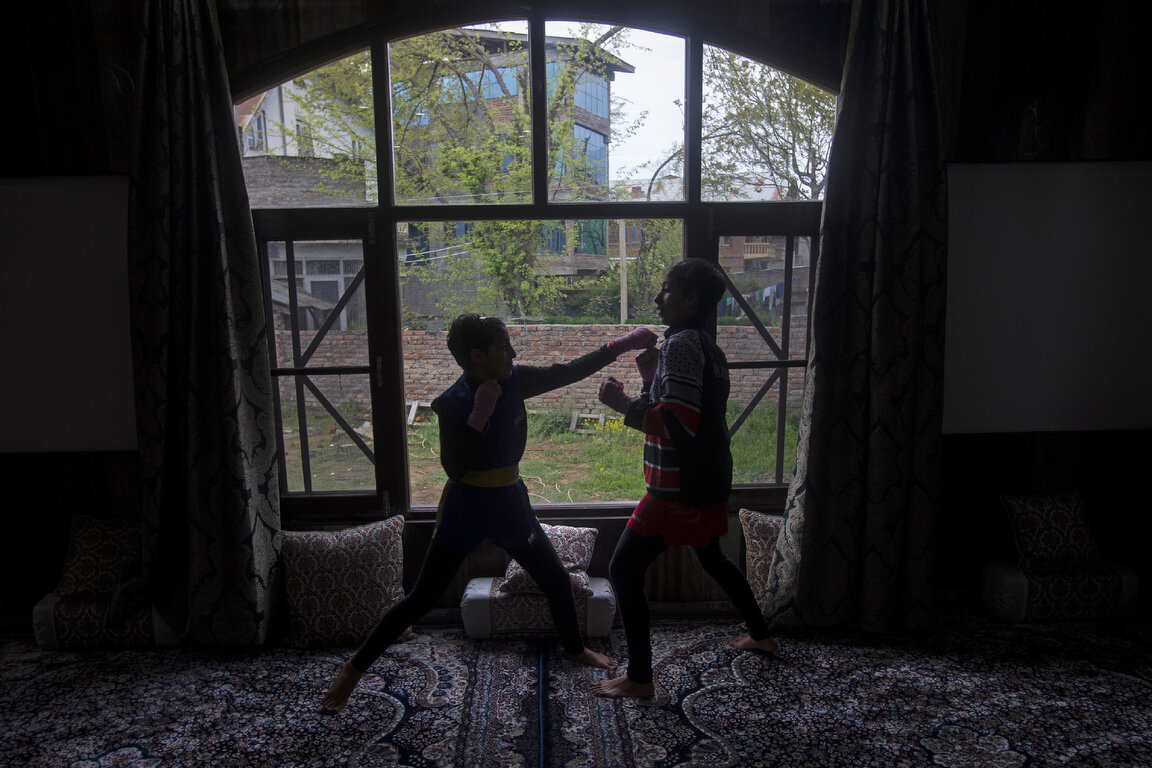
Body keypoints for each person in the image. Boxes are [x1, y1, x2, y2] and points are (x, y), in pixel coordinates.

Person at [322, 313, 657, 714]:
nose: (514, 353)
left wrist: (620, 345)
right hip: (468, 505)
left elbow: (568, 371)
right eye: (505, 346)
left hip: (509, 500)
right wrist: (478, 415)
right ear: (478, 356)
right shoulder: (451, 403)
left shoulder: (515, 379)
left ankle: (574, 648)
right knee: (421, 599)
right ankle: (351, 672)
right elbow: (455, 469)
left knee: (554, 578)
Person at [591, 258, 779, 699]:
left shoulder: (680, 345)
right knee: (712, 558)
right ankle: (762, 635)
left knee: (623, 567)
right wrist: (652, 381)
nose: (659, 298)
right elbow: (696, 409)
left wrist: (624, 406)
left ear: (692, 298)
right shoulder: (707, 346)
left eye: (667, 289)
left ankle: (639, 678)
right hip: (709, 477)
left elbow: (679, 422)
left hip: (680, 488)